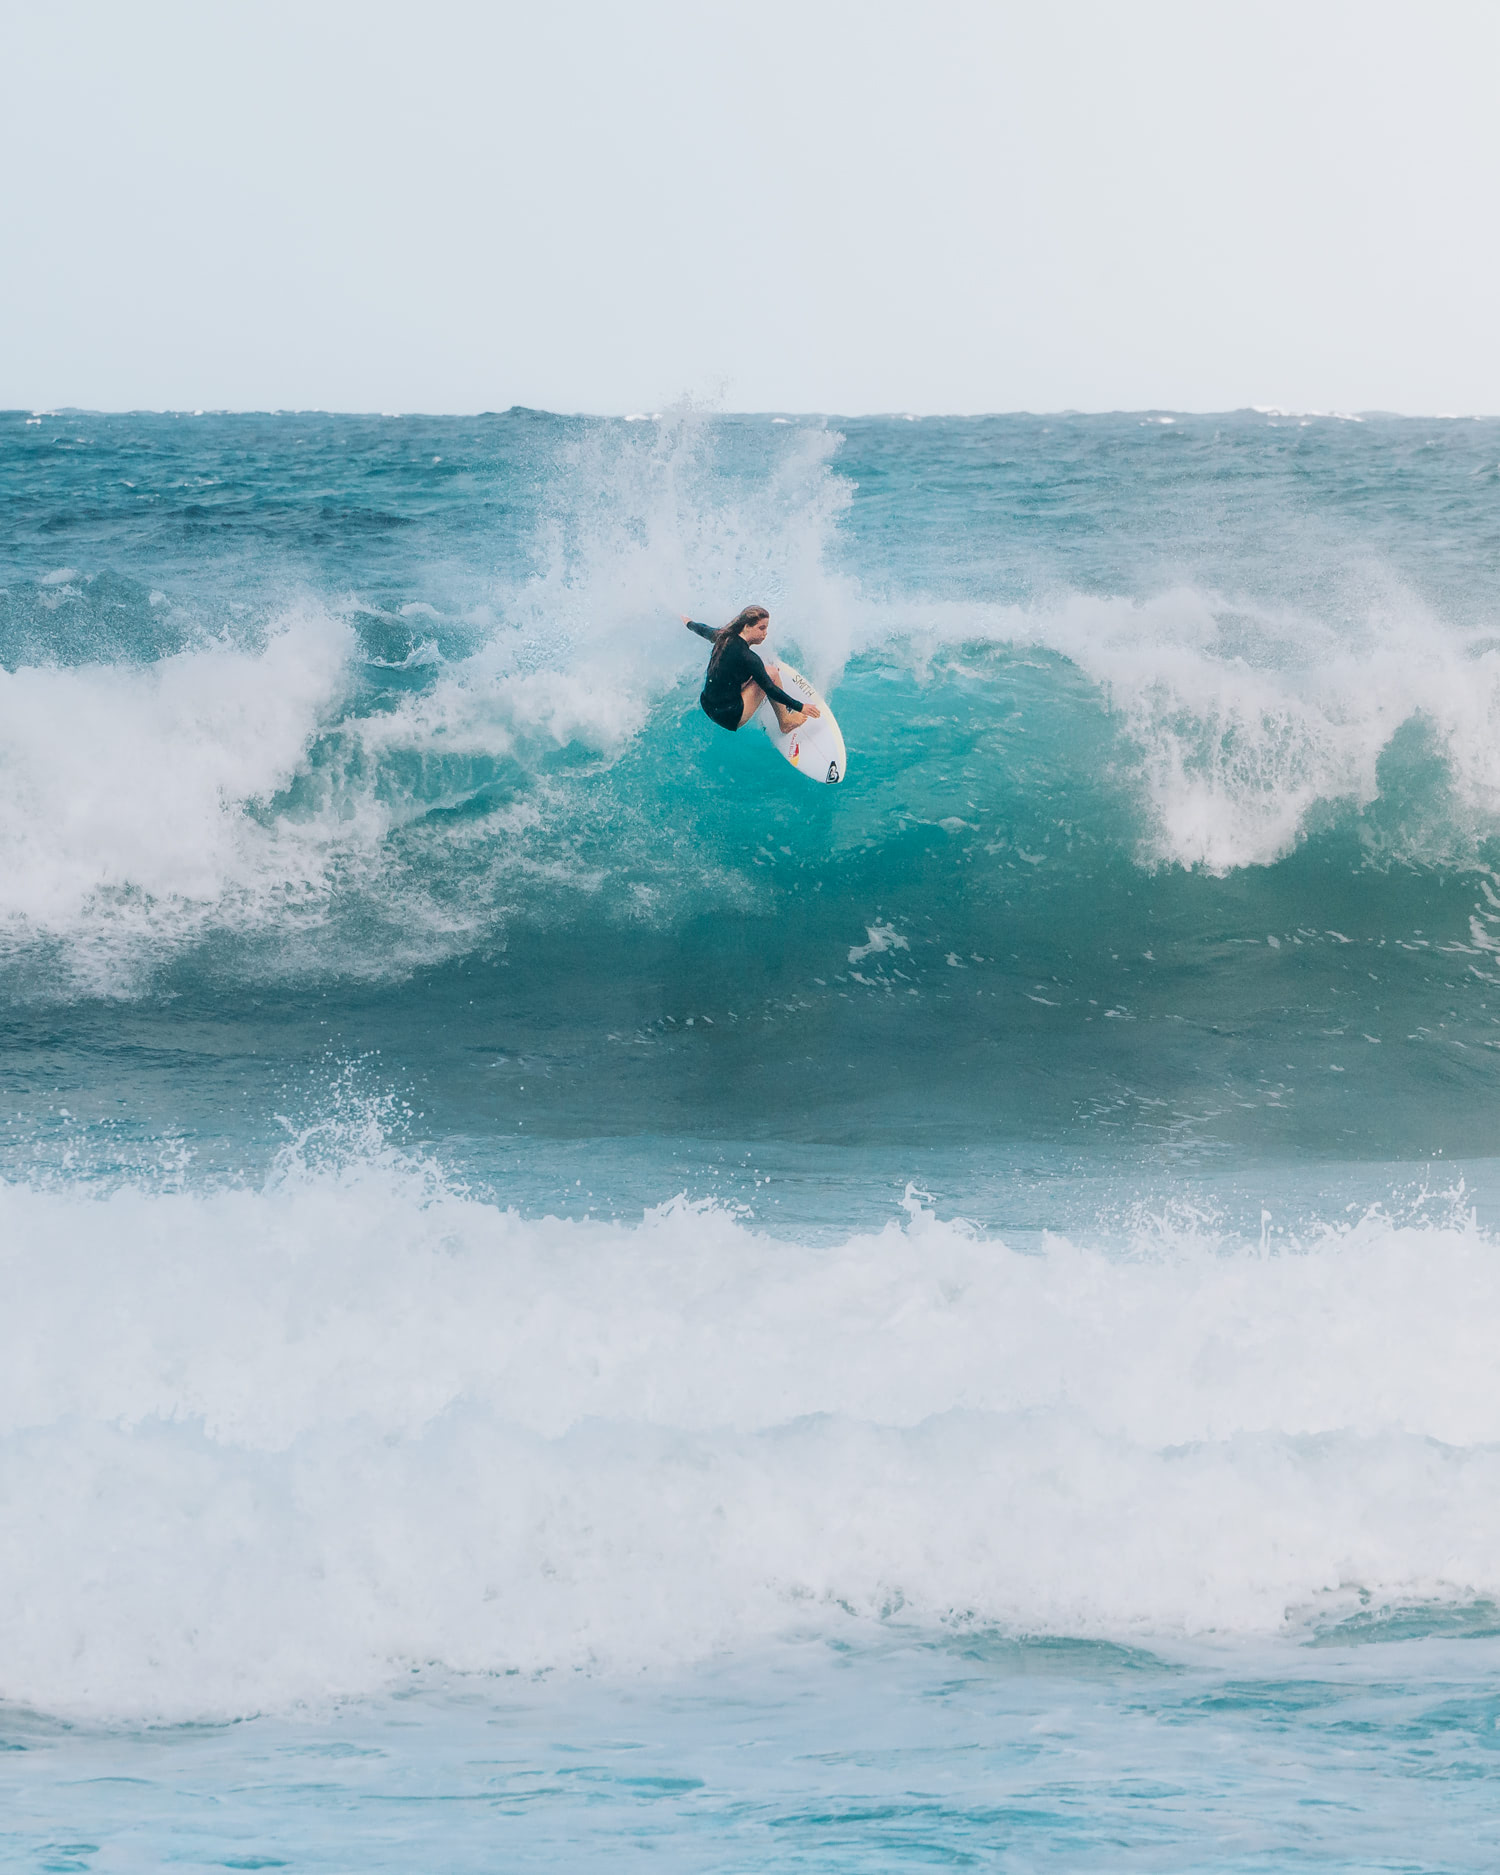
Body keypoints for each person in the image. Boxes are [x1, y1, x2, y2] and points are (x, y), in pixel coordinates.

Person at [682, 606, 821, 733]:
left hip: (708, 705)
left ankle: (759, 699)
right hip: (729, 716)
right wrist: (801, 707)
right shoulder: (748, 658)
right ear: (747, 626)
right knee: (771, 673)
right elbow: (770, 688)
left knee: (752, 673)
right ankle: (786, 722)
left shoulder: (723, 636)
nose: (765, 633)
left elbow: (701, 629)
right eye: (761, 628)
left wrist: (688, 622)